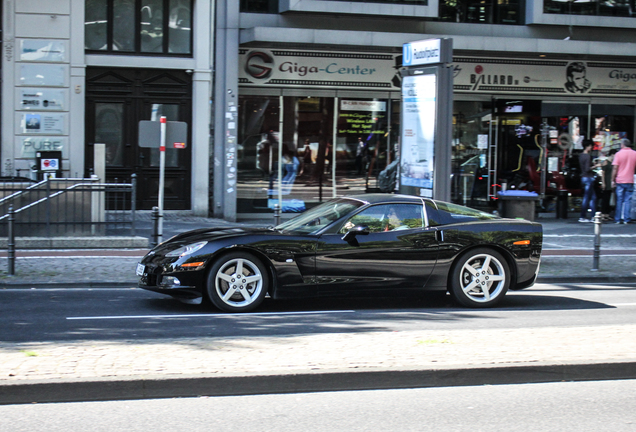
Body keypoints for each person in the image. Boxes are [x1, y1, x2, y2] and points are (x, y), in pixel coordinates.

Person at [611, 138, 636, 224]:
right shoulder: (634, 153)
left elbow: (615, 168)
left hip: (620, 180)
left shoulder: (618, 154)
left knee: (619, 200)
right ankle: (626, 218)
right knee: (627, 200)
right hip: (630, 179)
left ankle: (618, 219)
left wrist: (612, 179)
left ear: (622, 145)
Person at [578, 139, 598, 222]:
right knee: (588, 197)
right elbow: (587, 169)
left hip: (584, 177)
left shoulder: (581, 155)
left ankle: (592, 216)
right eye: (591, 146)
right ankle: (583, 216)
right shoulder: (587, 156)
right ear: (588, 146)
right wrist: (596, 166)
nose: (591, 148)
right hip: (588, 178)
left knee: (593, 197)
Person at [599, 149, 618, 220]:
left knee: (609, 198)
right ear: (612, 154)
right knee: (605, 198)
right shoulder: (606, 162)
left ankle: (607, 213)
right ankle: (603, 213)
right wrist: (603, 182)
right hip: (607, 182)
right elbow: (603, 173)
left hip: (610, 182)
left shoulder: (613, 162)